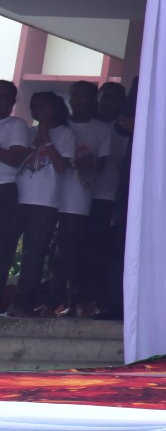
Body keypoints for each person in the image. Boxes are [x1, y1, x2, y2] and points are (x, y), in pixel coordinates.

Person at [8, 93, 72, 317]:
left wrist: (46, 139)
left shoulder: (65, 134)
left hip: (45, 203)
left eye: (43, 107)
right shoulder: (26, 132)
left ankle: (22, 304)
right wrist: (33, 144)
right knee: (6, 250)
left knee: (33, 256)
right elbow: (17, 163)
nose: (37, 112)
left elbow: (62, 166)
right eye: (34, 108)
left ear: (55, 108)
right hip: (18, 199)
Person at [51, 81, 109, 316]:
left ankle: (72, 301)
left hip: (78, 201)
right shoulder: (60, 126)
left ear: (93, 100)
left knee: (74, 252)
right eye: (74, 95)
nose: (77, 100)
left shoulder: (101, 129)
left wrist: (90, 164)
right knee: (51, 252)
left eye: (83, 96)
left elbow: (102, 164)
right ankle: (49, 301)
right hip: (50, 198)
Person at [90, 82, 132, 317]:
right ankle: (86, 300)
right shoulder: (93, 126)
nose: (109, 104)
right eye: (105, 98)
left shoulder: (128, 128)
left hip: (115, 200)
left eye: (115, 99)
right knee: (89, 251)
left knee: (112, 251)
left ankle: (110, 302)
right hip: (89, 198)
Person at [0, 81, 31, 297]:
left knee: (2, 248)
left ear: (12, 101)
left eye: (4, 97)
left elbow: (14, 157)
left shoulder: (16, 125)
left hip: (5, 190)